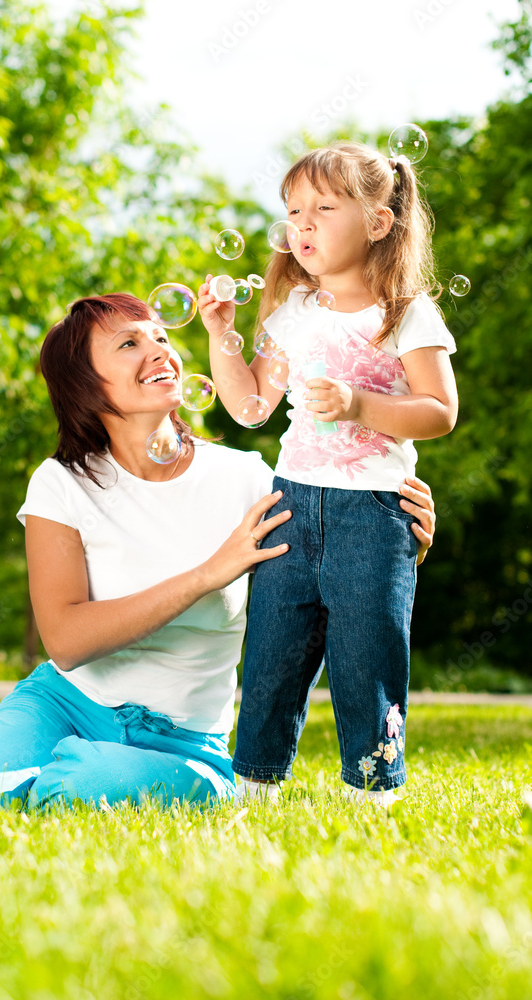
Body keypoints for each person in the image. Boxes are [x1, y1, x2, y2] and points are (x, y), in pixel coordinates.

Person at [0, 290, 437, 815]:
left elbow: (323, 581)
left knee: (78, 789)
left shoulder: (248, 479)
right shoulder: (61, 483)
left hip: (187, 743)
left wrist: (389, 541)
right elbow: (66, 640)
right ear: (86, 384)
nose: (159, 350)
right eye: (128, 344)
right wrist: (206, 576)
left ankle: (36, 773)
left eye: (161, 337)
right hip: (63, 705)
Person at [198, 141, 458, 805]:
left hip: (373, 510)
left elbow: (440, 411)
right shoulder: (295, 311)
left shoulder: (406, 312)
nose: (302, 224)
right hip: (292, 501)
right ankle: (254, 785)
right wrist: (221, 335)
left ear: (378, 222)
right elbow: (251, 406)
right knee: (272, 654)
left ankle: (372, 788)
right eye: (293, 211)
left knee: (368, 655)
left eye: (323, 208)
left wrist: (359, 404)